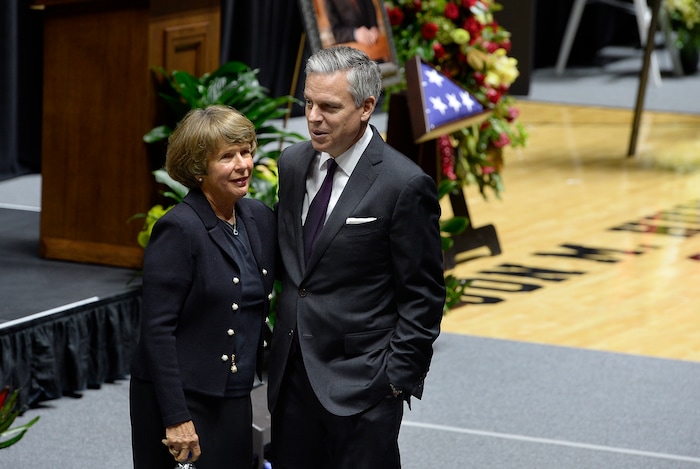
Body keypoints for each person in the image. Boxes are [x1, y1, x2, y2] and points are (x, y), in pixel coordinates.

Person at [267, 46, 446, 468]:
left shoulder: (404, 184)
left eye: (328, 107)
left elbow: (423, 296)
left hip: (363, 387)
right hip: (292, 380)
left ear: (366, 107)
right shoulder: (292, 163)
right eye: (308, 103)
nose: (313, 117)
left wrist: (395, 381)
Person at [129, 105, 277, 469]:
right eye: (227, 157)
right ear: (198, 169)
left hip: (236, 393)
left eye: (246, 152)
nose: (243, 164)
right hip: (183, 400)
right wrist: (176, 417)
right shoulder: (179, 230)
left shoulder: (258, 217)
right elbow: (157, 330)